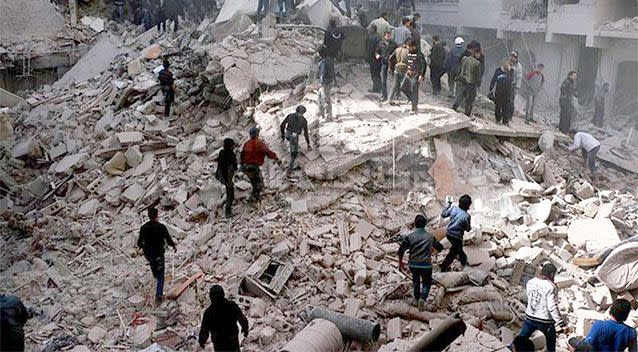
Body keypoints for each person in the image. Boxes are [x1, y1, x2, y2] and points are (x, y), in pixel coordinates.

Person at [519, 263, 567, 352]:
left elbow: (529, 297)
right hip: (545, 321)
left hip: (530, 316)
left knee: (521, 340)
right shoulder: (551, 286)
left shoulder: (531, 281)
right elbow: (552, 307)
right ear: (552, 274)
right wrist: (561, 323)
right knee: (550, 345)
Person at [398, 215, 444, 308]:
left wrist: (400, 262)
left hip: (413, 264)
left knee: (416, 282)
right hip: (426, 265)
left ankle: (417, 299)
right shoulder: (430, 237)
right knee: (427, 283)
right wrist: (432, 252)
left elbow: (401, 250)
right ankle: (423, 299)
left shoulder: (410, 236)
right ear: (425, 224)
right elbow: (440, 247)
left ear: (415, 224)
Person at [137, 207, 177, 305]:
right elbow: (168, 239)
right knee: (160, 275)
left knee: (155, 272)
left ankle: (157, 288)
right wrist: (173, 246)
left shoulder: (144, 228)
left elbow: (139, 242)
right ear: (157, 215)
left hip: (149, 255)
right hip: (159, 254)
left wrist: (142, 247)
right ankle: (159, 295)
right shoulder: (161, 227)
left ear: (148, 215)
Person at [198, 285, 249, 352]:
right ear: (223, 294)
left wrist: (202, 341)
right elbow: (242, 318)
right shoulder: (231, 305)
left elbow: (204, 330)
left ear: (211, 297)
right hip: (232, 339)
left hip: (219, 343)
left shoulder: (209, 312)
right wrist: (245, 329)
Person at [240, 127, 279, 202]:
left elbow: (242, 154)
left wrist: (242, 165)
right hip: (253, 166)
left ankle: (254, 197)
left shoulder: (246, 143)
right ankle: (255, 199)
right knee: (260, 183)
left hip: (245, 166)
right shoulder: (259, 143)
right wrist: (275, 157)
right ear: (257, 134)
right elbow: (267, 152)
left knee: (254, 182)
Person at [440, 195, 472, 272]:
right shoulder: (467, 216)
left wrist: (448, 205)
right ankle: (444, 267)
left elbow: (443, 214)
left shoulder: (453, 209)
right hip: (457, 237)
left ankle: (464, 263)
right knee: (454, 252)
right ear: (468, 205)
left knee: (459, 250)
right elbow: (467, 229)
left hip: (449, 233)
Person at [280, 105, 312, 177]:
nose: (301, 115)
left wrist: (282, 134)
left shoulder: (290, 116)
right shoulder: (303, 120)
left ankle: (289, 142)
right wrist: (308, 144)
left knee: (291, 139)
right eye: (301, 113)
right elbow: (306, 133)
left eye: (302, 114)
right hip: (293, 136)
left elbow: (282, 125)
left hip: (288, 133)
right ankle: (289, 172)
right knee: (294, 154)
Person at [453, 47, 482, 116]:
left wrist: (457, 77)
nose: (479, 56)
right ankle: (467, 113)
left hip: (461, 80)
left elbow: (459, 69)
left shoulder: (464, 59)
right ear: (476, 54)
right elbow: (477, 75)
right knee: (470, 99)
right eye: (479, 54)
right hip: (471, 83)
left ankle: (454, 108)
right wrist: (478, 84)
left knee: (460, 96)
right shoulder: (477, 63)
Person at [400, 39, 427, 113]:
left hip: (416, 74)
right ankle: (411, 99)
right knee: (403, 87)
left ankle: (414, 108)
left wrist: (422, 75)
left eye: (409, 46)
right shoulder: (408, 53)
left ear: (413, 47)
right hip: (408, 73)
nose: (407, 48)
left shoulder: (419, 54)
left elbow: (424, 65)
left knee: (415, 91)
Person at [215, 138, 237, 218]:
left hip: (223, 176)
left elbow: (219, 164)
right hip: (228, 177)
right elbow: (233, 167)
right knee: (230, 194)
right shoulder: (231, 155)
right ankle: (228, 212)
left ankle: (228, 210)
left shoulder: (222, 153)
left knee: (229, 194)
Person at [489, 58, 514, 125]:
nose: (506, 65)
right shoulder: (498, 70)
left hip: (507, 91)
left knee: (506, 106)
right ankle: (498, 118)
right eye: (505, 63)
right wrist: (491, 88)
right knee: (498, 105)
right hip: (499, 90)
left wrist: (508, 71)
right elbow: (494, 79)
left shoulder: (511, 71)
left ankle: (505, 120)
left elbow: (511, 80)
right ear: (502, 64)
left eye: (507, 63)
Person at [376, 31, 398, 102]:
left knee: (396, 80)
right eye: (387, 36)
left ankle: (397, 94)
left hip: (392, 64)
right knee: (383, 80)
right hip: (384, 63)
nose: (389, 37)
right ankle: (384, 96)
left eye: (390, 36)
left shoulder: (394, 44)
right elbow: (377, 51)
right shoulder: (381, 44)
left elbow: (397, 52)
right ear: (384, 36)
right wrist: (377, 55)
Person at [317, 45, 335, 120]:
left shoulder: (324, 62)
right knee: (320, 97)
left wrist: (320, 82)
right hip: (329, 81)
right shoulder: (329, 59)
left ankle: (328, 116)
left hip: (325, 83)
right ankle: (321, 112)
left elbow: (322, 74)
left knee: (326, 99)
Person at [366, 25, 383, 93]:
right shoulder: (378, 36)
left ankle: (376, 89)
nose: (369, 30)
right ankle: (379, 87)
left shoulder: (372, 38)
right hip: (378, 58)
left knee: (374, 74)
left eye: (370, 29)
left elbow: (370, 49)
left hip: (373, 58)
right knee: (377, 73)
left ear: (373, 29)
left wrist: (368, 58)